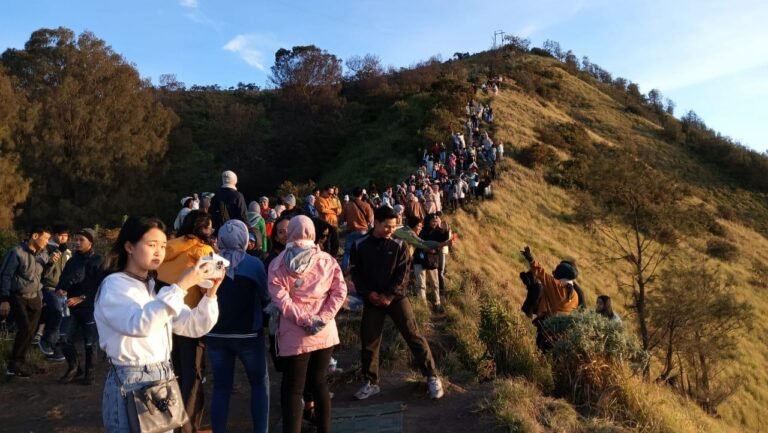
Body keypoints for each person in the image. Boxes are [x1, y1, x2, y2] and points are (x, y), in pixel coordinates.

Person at [94, 215, 221, 433]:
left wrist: (210, 294)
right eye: (151, 245)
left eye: (163, 245)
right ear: (129, 246)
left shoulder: (155, 287)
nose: (159, 251)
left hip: (163, 378)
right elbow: (140, 325)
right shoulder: (114, 286)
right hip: (131, 381)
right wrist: (180, 286)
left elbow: (192, 326)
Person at [350, 207, 444, 400]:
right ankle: (371, 382)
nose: (390, 230)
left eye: (393, 226)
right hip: (373, 299)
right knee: (369, 340)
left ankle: (432, 377)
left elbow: (404, 273)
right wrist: (369, 294)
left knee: (413, 335)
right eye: (387, 226)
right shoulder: (360, 245)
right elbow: (356, 273)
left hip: (397, 298)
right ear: (376, 222)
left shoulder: (399, 244)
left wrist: (389, 296)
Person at [268, 215, 347, 433]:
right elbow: (340, 292)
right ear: (312, 233)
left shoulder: (277, 264)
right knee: (320, 383)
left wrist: (303, 319)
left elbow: (281, 301)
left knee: (293, 389)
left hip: (294, 334)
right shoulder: (327, 260)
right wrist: (322, 317)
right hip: (324, 331)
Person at [207, 219, 271, 433]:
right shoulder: (253, 264)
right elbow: (265, 295)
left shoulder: (210, 263)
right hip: (248, 335)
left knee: (221, 387)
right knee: (259, 385)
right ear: (244, 239)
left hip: (216, 334)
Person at [156, 210, 215, 432]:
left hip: (165, 319)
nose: (211, 230)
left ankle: (170, 420)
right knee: (193, 374)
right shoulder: (204, 251)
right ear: (200, 228)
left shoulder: (168, 249)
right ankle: (188, 425)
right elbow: (210, 285)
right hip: (191, 321)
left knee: (174, 371)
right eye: (208, 226)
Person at [1, 226, 52, 378]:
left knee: (30, 332)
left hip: (35, 296)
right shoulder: (16, 252)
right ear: (35, 236)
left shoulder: (43, 254)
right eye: (46, 238)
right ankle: (13, 365)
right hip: (18, 296)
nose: (47, 242)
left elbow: (44, 276)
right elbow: (5, 276)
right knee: (25, 329)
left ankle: (19, 364)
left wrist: (49, 264)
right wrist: (4, 299)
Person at [58, 228, 105, 385]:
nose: (77, 243)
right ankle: (74, 368)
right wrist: (60, 288)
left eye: (81, 240)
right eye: (76, 240)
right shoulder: (72, 261)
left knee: (90, 342)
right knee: (63, 337)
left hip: (91, 307)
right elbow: (63, 281)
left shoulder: (99, 261)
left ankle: (90, 373)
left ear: (90, 242)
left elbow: (101, 286)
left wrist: (83, 297)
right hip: (71, 307)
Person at [520, 246, 580, 350]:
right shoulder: (575, 295)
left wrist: (530, 259)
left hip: (548, 328)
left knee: (541, 353)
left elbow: (540, 272)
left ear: (560, 274)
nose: (553, 273)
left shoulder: (556, 285)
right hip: (564, 333)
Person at [37, 224, 71, 360]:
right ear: (55, 235)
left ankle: (54, 348)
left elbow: (69, 271)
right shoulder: (46, 249)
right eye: (61, 235)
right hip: (49, 287)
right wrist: (50, 262)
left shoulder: (67, 252)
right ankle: (47, 342)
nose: (64, 238)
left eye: (66, 235)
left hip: (63, 289)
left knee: (63, 318)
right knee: (57, 313)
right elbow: (42, 273)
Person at [341, 187, 374, 273]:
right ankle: (364, 270)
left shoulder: (347, 205)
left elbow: (342, 218)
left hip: (351, 230)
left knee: (347, 252)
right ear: (362, 195)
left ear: (352, 195)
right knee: (364, 251)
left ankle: (344, 270)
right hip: (363, 231)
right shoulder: (366, 205)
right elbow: (370, 220)